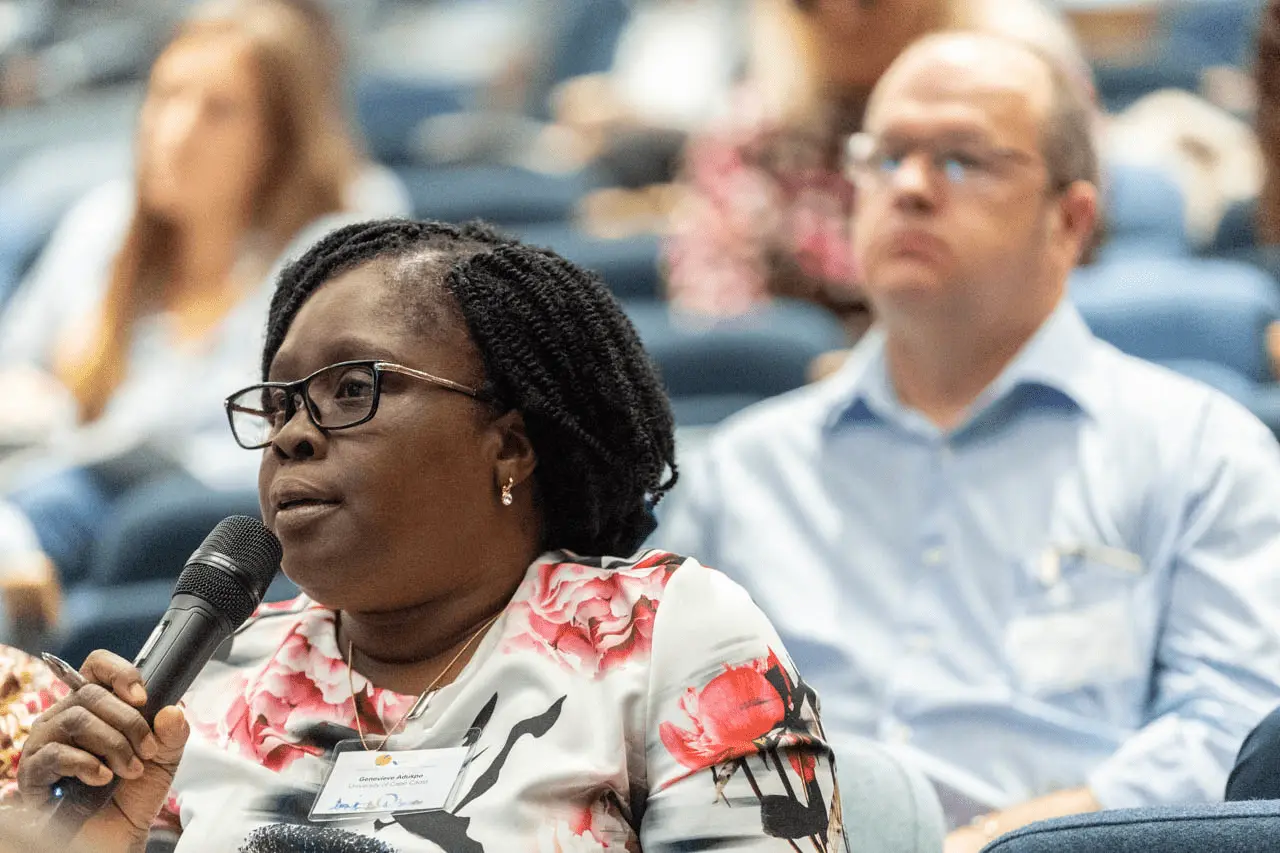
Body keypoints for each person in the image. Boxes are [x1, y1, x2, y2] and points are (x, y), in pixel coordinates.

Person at [11, 219, 848, 851]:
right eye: (279, 404)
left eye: (352, 389)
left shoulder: (664, 637)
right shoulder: (205, 686)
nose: (292, 434)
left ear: (509, 446)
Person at [655, 30, 1280, 852]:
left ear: (1070, 220)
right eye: (885, 157)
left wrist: (1002, 840)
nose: (910, 187)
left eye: (961, 160)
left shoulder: (1202, 452)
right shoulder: (745, 470)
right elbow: (654, 731)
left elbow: (1232, 722)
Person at [0, 0, 408, 634]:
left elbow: (302, 447)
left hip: (186, 524)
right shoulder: (105, 222)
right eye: (165, 98)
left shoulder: (328, 251)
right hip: (39, 492)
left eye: (218, 110)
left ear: (278, 138)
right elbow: (17, 370)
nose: (175, 131)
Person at [662, 0, 1089, 340]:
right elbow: (713, 299)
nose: (839, 12)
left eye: (962, 159)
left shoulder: (1031, 97)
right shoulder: (752, 131)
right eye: (805, 1)